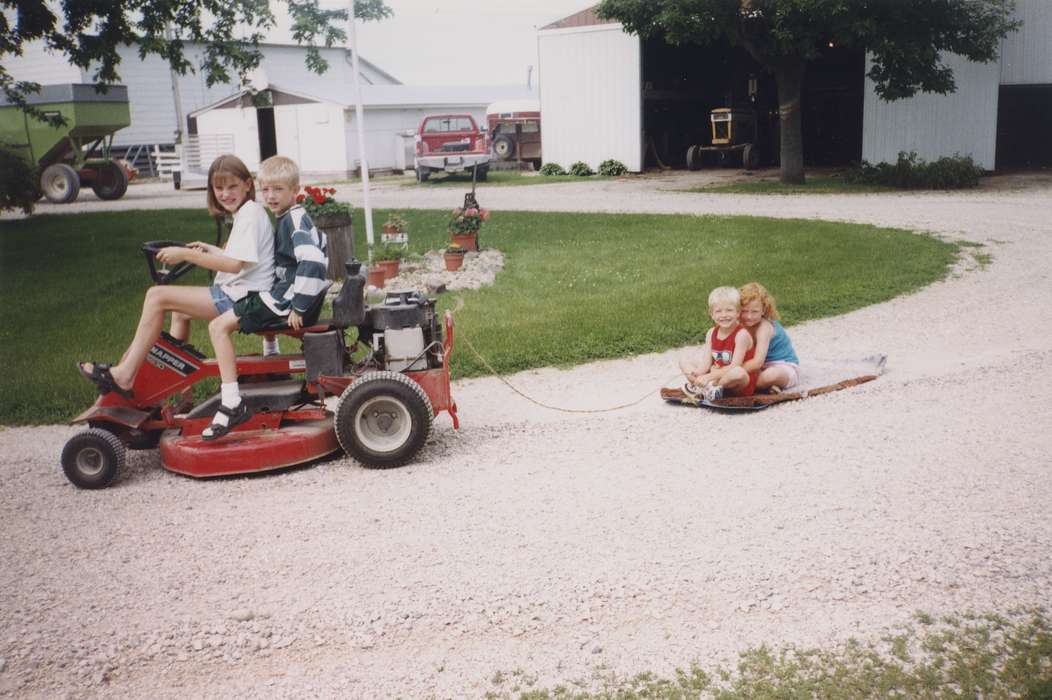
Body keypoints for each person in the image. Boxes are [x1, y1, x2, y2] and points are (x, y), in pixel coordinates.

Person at [77, 155, 275, 399]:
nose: (226, 194)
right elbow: (241, 259)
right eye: (219, 188)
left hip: (245, 300)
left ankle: (125, 375)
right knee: (179, 312)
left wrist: (185, 255)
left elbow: (234, 265)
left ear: (247, 184)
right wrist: (209, 249)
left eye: (232, 186)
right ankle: (183, 395)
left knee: (156, 296)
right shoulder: (246, 213)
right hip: (243, 292)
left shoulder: (250, 215)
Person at [202, 155, 329, 439]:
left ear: (295, 190)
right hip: (287, 294)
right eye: (266, 189)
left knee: (218, 326)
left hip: (289, 300)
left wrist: (299, 305)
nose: (270, 196)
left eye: (278, 190)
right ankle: (272, 362)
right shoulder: (288, 217)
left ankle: (232, 401)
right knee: (261, 290)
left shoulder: (293, 220)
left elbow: (312, 262)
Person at [678, 286, 757, 401]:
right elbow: (706, 364)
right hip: (716, 374)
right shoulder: (711, 333)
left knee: (738, 372)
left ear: (738, 312)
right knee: (684, 360)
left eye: (729, 310)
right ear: (712, 314)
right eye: (718, 311)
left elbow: (735, 365)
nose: (724, 315)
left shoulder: (741, 335)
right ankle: (702, 386)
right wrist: (697, 374)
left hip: (736, 382)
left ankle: (709, 387)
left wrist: (709, 377)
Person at [738, 282, 800, 394]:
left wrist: (731, 372)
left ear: (763, 310)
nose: (749, 316)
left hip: (782, 366)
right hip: (758, 369)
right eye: (744, 311)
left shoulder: (764, 328)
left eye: (754, 311)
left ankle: (737, 386)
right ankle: (765, 387)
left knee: (769, 376)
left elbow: (758, 362)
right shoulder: (740, 325)